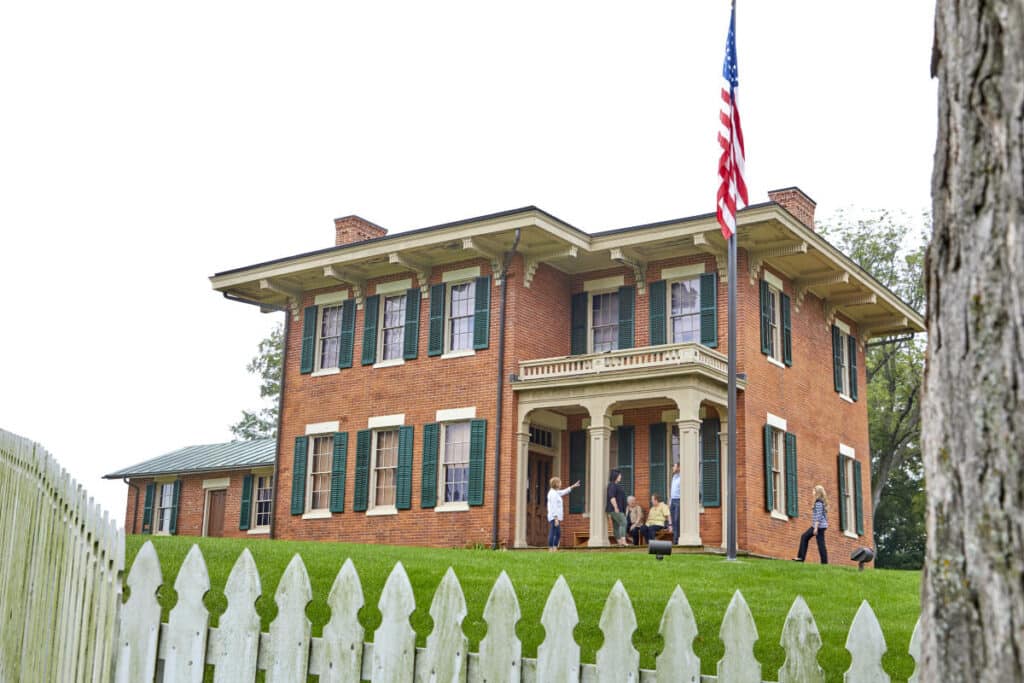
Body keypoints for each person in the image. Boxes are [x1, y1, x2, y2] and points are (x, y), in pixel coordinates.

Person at [793, 485, 829, 564]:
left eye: (814, 491)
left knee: (808, 538)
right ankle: (801, 558)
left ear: (817, 492)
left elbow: (819, 516)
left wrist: (815, 528)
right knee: (808, 538)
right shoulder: (820, 501)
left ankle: (801, 558)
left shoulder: (819, 502)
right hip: (820, 526)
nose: (812, 492)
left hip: (819, 526)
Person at [546, 477, 581, 551]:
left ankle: (554, 547)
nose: (561, 484)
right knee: (553, 532)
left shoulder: (555, 492)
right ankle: (551, 548)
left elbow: (564, 491)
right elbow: (553, 507)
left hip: (556, 517)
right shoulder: (552, 494)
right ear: (556, 484)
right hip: (554, 517)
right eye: (560, 482)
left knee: (558, 533)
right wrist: (555, 518)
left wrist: (573, 486)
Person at [606, 469, 628, 547]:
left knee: (616, 526)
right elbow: (612, 497)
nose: (620, 476)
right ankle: (623, 541)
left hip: (617, 509)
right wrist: (616, 507)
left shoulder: (616, 485)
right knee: (623, 522)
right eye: (619, 475)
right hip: (615, 509)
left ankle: (619, 542)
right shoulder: (612, 485)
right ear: (615, 476)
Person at [669, 462, 681, 544]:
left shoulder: (682, 477)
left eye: (674, 466)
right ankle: (675, 538)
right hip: (673, 500)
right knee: (673, 521)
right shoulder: (674, 477)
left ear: (679, 468)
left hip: (678, 500)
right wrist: (670, 501)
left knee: (677, 520)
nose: (673, 467)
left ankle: (676, 540)